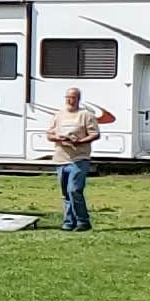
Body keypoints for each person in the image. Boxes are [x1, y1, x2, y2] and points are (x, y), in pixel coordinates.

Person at [44, 87, 109, 231]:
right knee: (65, 193)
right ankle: (68, 222)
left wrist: (80, 141)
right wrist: (58, 138)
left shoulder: (85, 115)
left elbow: (95, 134)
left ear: (78, 99)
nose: (69, 100)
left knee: (74, 190)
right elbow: (49, 134)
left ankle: (83, 221)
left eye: (72, 97)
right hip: (61, 158)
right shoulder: (59, 115)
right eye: (67, 97)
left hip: (79, 158)